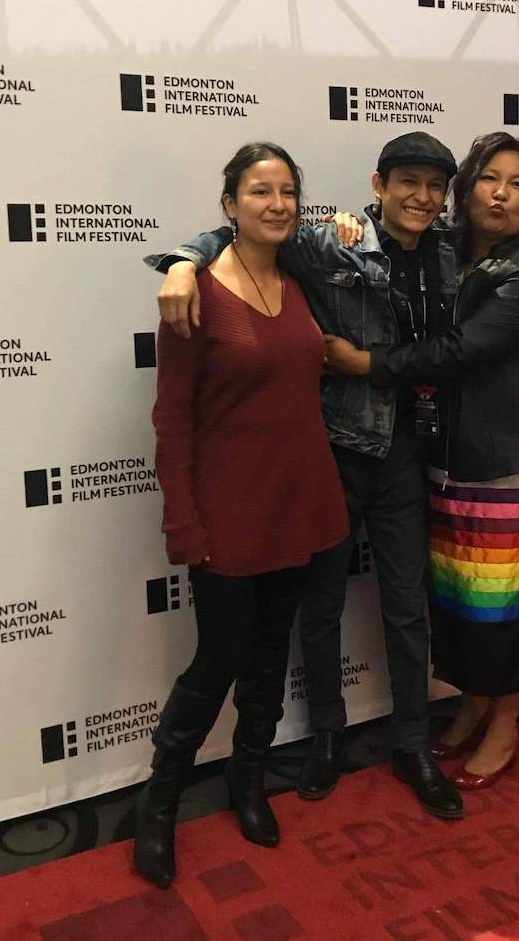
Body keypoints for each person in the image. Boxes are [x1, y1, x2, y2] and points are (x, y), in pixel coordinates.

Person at [145, 132, 519, 819]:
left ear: (447, 197)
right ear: (378, 186)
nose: (421, 197)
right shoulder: (335, 242)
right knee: (319, 609)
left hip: (411, 452)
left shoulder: (450, 250)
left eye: (434, 186)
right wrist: (182, 260)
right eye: (406, 181)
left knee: (408, 606)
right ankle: (326, 737)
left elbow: (507, 249)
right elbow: (251, 231)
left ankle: (412, 740)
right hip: (333, 451)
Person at [324, 132, 519, 790]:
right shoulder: (450, 248)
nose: (501, 193)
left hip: (515, 456)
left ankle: (506, 720)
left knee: (514, 600)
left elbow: (463, 347)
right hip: (448, 457)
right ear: (465, 190)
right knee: (467, 596)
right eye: (490, 178)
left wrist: (367, 364)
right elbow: (392, 223)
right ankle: (472, 700)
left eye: (518, 184)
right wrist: (347, 220)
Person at [134, 142, 349, 889]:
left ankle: (248, 782)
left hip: (304, 506)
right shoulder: (191, 293)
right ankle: (158, 803)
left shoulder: (301, 280)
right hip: (227, 517)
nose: (278, 204)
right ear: (229, 205)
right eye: (260, 191)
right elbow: (172, 422)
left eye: (289, 190)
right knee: (216, 663)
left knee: (267, 659)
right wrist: (183, 524)